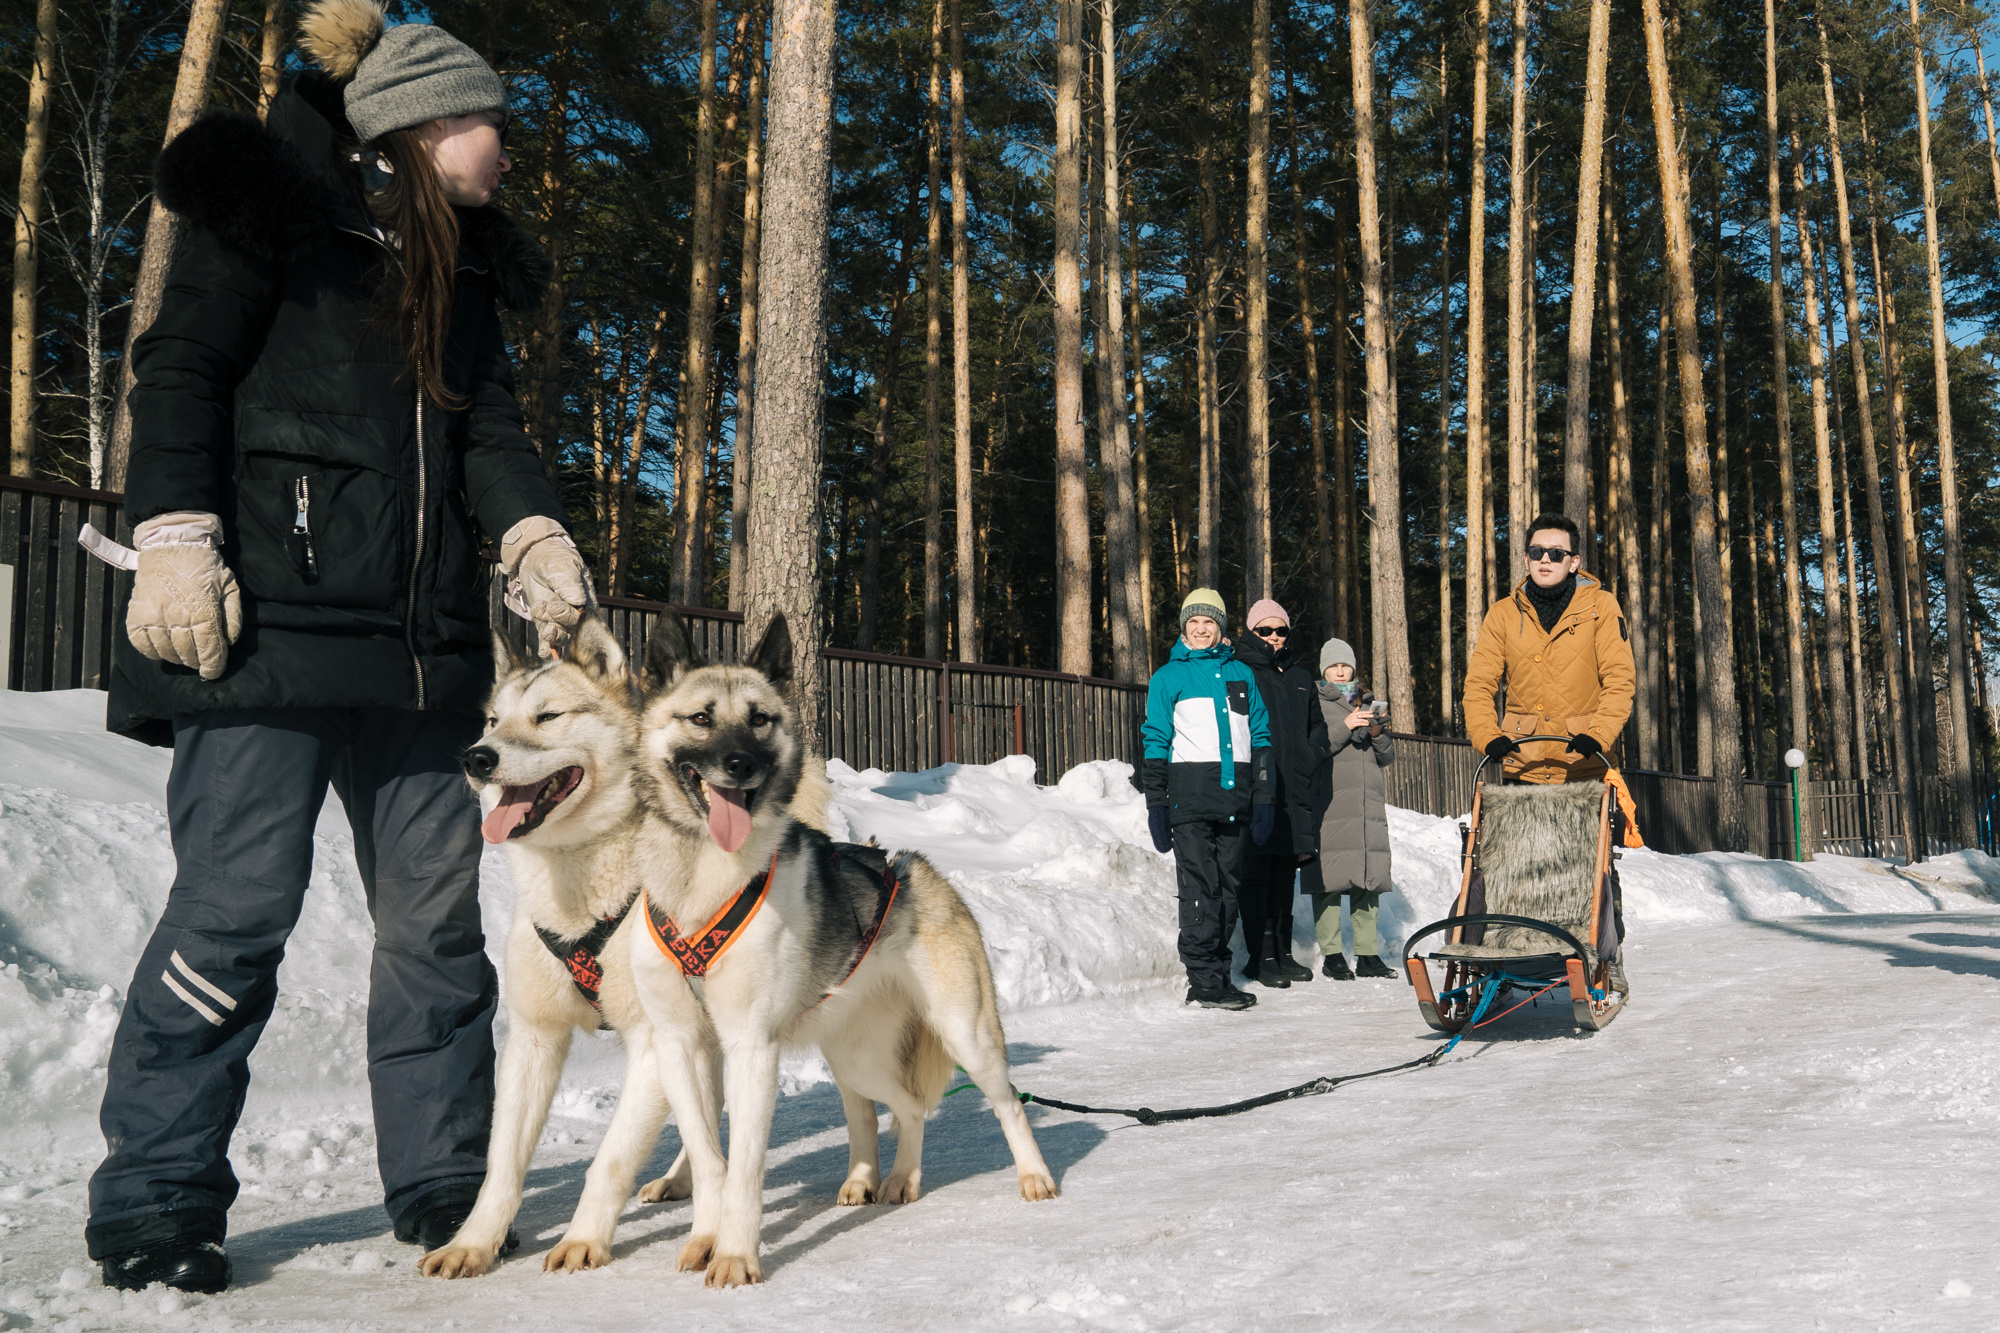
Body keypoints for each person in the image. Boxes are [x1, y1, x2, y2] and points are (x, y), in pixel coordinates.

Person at [85, 0, 591, 1294]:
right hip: (269, 632)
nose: (504, 147)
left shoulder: (464, 266)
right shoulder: (273, 215)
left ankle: (441, 1176)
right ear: (415, 126)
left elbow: (487, 430)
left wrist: (533, 533)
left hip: (423, 655)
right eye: (483, 120)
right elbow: (182, 361)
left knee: (433, 932)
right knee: (234, 914)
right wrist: (179, 531)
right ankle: (156, 1190)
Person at [1461, 513, 1635, 987]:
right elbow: (1479, 686)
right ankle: (1502, 959)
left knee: (1591, 867)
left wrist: (1598, 735)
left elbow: (1619, 682)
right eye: (1537, 552)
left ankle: (1606, 957)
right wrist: (1488, 735)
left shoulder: (1601, 607)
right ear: (1525, 556)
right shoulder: (1502, 613)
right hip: (1522, 760)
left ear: (1574, 561)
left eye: (1556, 553)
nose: (1545, 561)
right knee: (1513, 870)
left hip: (1581, 763)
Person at [1142, 589, 1274, 1011]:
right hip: (1189, 802)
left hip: (1234, 801)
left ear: (1220, 629)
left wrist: (1264, 796)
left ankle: (1219, 975)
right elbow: (1155, 739)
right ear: (1184, 628)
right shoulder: (1168, 677)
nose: (1201, 630)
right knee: (1201, 889)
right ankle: (1203, 980)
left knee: (1230, 889)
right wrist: (1156, 802)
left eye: (1209, 623)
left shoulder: (1241, 674)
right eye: (1193, 623)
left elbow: (1261, 738)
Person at [1231, 598, 1329, 989]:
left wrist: (1311, 755)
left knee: (1284, 874)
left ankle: (1284, 952)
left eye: (1280, 630)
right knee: (1257, 873)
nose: (1273, 637)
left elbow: (1317, 726)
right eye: (1264, 630)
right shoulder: (1240, 671)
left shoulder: (1301, 676)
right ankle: (1261, 956)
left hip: (1295, 788)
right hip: (1259, 788)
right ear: (1251, 633)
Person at [1306, 638, 1398, 979]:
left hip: (1365, 802)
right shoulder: (1314, 701)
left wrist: (1377, 730)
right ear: (1324, 670)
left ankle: (1368, 954)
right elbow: (1316, 748)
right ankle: (1332, 956)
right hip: (1330, 800)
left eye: (1345, 665)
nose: (1341, 670)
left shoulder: (1367, 701)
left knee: (1367, 878)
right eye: (1334, 665)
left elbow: (1386, 756)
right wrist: (1347, 726)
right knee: (1328, 879)